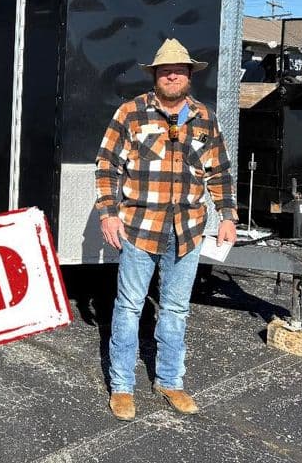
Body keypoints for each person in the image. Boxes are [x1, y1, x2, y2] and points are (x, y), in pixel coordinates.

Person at [93, 38, 238, 421]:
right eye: (164, 70)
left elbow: (219, 171)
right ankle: (122, 386)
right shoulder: (131, 113)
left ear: (190, 75)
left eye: (179, 69)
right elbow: (107, 164)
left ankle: (170, 381)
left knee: (175, 309)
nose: (172, 75)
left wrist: (227, 215)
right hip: (140, 227)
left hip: (187, 229)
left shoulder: (205, 117)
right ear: (155, 75)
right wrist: (108, 213)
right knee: (128, 306)